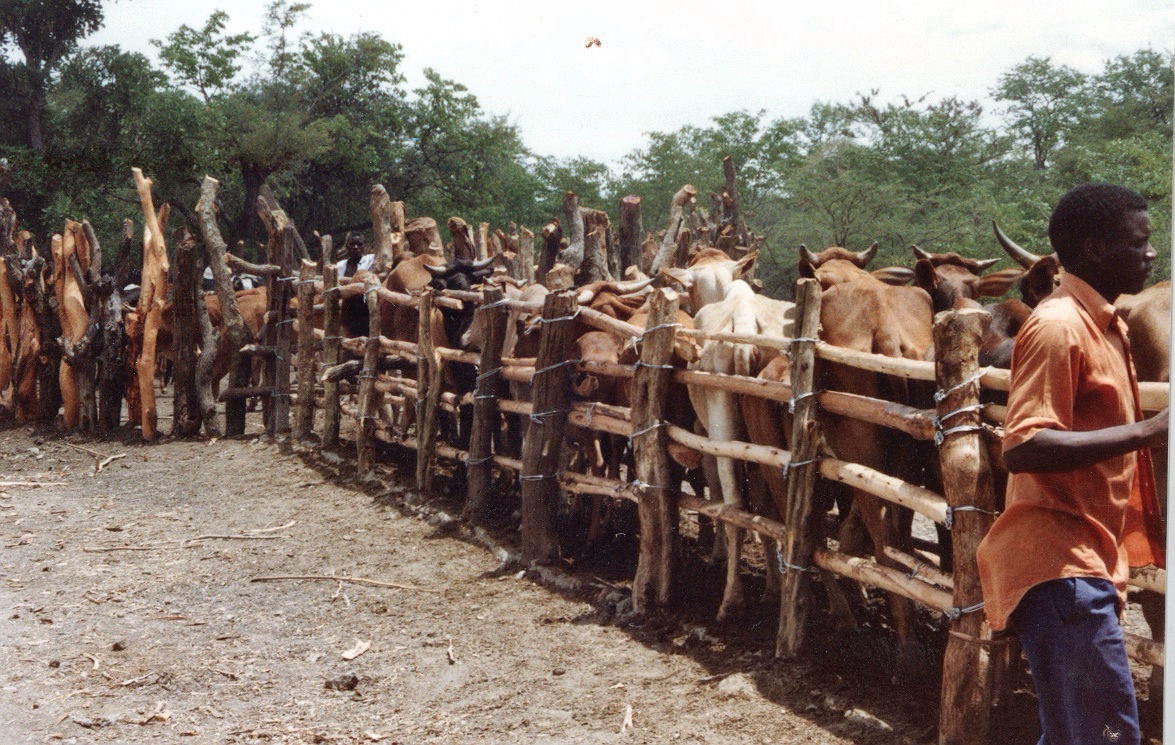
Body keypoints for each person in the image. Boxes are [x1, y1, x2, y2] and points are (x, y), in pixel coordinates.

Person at [977, 183, 1168, 745]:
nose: (1152, 253)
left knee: (1077, 734)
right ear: (1094, 250)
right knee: (1106, 736)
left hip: (1085, 560)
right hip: (1061, 567)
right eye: (1139, 242)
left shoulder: (1107, 325)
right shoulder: (1059, 325)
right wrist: (1151, 430)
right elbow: (1023, 445)